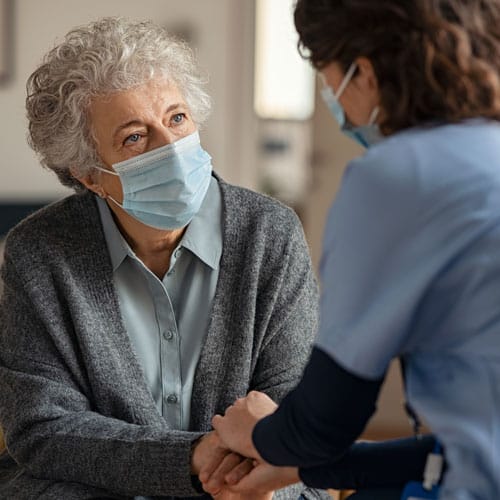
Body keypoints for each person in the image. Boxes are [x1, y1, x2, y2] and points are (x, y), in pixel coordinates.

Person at [0, 17, 331, 500]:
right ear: (88, 174)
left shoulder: (270, 234)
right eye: (135, 137)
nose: (172, 149)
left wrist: (239, 477)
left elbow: (292, 402)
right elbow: (43, 427)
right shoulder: (38, 252)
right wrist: (193, 459)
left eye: (177, 119)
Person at [208, 1, 500, 499]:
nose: (333, 100)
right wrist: (301, 469)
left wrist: (254, 432)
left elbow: (322, 424)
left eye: (327, 77)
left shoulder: (397, 177)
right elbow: (463, 452)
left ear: (362, 70)